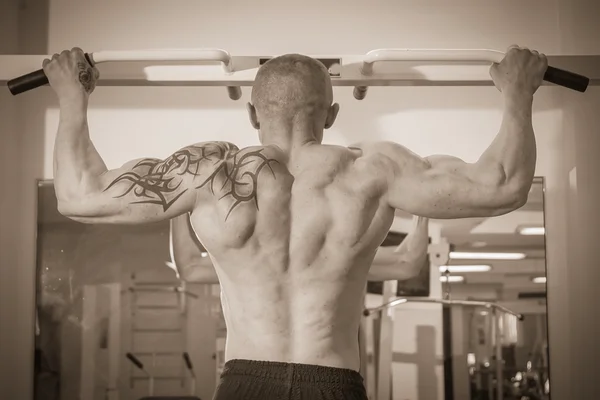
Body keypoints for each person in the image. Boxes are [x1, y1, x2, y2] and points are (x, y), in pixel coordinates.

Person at [43, 44, 546, 400]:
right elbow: (503, 184)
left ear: (252, 115)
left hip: (244, 383)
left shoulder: (209, 171)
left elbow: (78, 195)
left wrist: (72, 95)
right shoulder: (372, 170)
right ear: (330, 114)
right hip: (334, 384)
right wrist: (517, 92)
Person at [168, 212, 429, 284]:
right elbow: (407, 262)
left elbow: (190, 268)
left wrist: (177, 209)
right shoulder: (335, 259)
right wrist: (421, 213)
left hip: (255, 371)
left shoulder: (250, 261)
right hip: (324, 371)